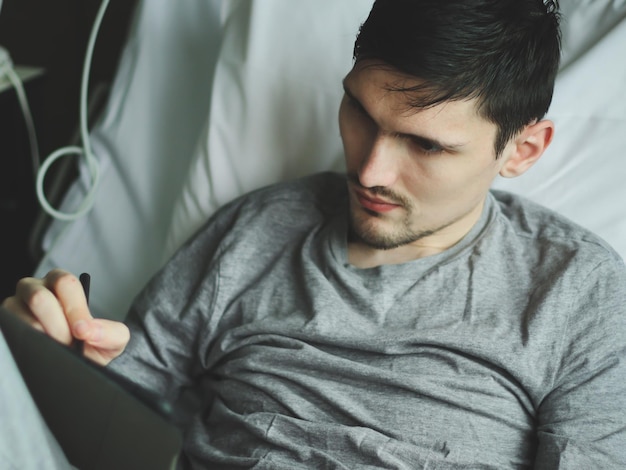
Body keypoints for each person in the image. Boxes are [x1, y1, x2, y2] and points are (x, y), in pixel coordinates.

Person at [2, 0, 626, 468]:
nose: (370, 170)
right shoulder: (256, 230)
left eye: (425, 144)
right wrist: (60, 357)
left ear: (522, 150)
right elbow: (122, 410)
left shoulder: (579, 293)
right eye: (360, 111)